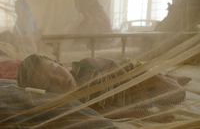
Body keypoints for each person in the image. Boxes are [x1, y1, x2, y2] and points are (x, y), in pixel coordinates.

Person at [17, 54, 191, 122]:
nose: (59, 80)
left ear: (60, 63)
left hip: (128, 77)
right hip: (128, 98)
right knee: (165, 100)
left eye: (56, 70)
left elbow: (111, 62)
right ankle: (163, 80)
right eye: (49, 84)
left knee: (177, 94)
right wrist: (145, 113)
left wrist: (134, 85)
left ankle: (166, 76)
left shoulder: (85, 66)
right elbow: (110, 113)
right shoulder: (75, 104)